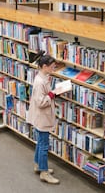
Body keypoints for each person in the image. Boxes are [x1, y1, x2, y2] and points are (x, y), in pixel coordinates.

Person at [27, 51, 60, 184]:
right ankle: (44, 173)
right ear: (45, 66)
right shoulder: (40, 82)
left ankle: (38, 164)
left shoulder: (42, 77)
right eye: (52, 67)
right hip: (42, 118)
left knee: (40, 143)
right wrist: (52, 95)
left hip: (41, 117)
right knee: (44, 145)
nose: (54, 69)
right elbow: (41, 102)